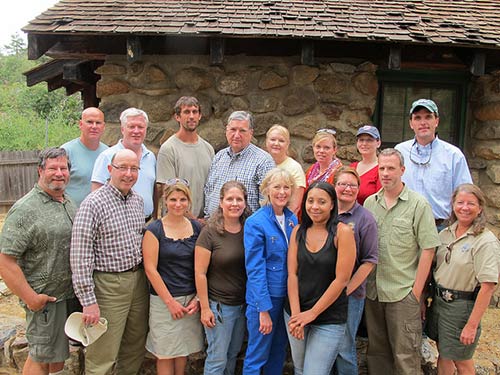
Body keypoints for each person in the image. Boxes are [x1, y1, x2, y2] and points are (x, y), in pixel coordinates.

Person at [71, 149, 149, 375]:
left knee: (134, 347)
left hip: (138, 281)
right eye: (122, 168)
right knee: (102, 353)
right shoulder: (93, 204)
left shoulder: (137, 202)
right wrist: (88, 300)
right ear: (109, 170)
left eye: (134, 169)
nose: (128, 173)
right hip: (108, 286)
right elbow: (80, 254)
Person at [363, 148, 441, 375]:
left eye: (391, 168)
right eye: (382, 168)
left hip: (402, 291)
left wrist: (416, 292)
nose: (385, 173)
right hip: (374, 291)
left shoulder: (418, 205)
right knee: (377, 354)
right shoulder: (370, 203)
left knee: (406, 356)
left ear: (402, 170)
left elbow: (428, 248)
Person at [0, 148, 77, 375]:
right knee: (40, 358)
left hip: (67, 297)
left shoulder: (68, 202)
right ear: (40, 170)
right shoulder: (25, 209)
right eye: (53, 168)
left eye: (63, 168)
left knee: (56, 359)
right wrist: (31, 298)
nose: (59, 173)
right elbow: (6, 260)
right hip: (45, 300)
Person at [426, 184, 500, 375]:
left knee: (462, 360)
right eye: (460, 202)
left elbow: (488, 286)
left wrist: (471, 325)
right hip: (440, 303)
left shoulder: (485, 241)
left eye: (471, 204)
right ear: (453, 205)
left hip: (462, 306)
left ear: (480, 208)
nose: (464, 207)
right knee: (444, 353)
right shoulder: (445, 234)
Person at [285, 181, 356, 375]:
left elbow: (341, 280)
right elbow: (292, 274)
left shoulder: (343, 232)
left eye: (322, 202)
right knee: (299, 369)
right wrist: (297, 316)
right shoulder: (298, 232)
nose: (315, 207)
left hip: (328, 317)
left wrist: (312, 314)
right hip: (296, 312)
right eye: (310, 201)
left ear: (332, 204)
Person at [143, 180, 204, 375]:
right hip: (164, 301)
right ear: (165, 201)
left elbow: (203, 265)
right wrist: (170, 302)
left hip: (190, 300)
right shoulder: (155, 230)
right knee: (165, 353)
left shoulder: (197, 228)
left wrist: (198, 298)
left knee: (182, 351)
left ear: (189, 201)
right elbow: (150, 269)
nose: (178, 204)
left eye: (183, 199)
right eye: (173, 199)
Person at [243, 168, 298, 375]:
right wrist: (263, 310)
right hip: (265, 299)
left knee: (278, 352)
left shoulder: (292, 219)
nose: (282, 192)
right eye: (277, 187)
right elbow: (255, 269)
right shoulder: (255, 222)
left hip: (286, 298)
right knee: (257, 355)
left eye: (286, 187)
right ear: (266, 189)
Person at [195, 181, 251, 375]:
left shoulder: (249, 229)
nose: (234, 203)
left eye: (239, 199)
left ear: (245, 202)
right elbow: (200, 273)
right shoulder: (209, 233)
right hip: (219, 307)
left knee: (233, 354)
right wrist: (204, 308)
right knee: (217, 358)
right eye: (229, 199)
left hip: (243, 305)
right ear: (221, 202)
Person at [395, 99, 472, 229]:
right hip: (404, 226)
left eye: (428, 117)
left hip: (440, 228)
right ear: (411, 123)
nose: (423, 122)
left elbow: (466, 194)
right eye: (417, 118)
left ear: (436, 121)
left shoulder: (453, 155)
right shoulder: (400, 151)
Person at [333, 167, 378, 375]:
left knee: (343, 346)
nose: (347, 189)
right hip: (323, 291)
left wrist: (346, 290)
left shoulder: (364, 219)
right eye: (342, 183)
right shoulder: (326, 212)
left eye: (352, 185)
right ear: (334, 186)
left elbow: (369, 261)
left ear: (358, 189)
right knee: (325, 345)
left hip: (350, 295)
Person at [204, 110, 275, 217]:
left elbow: (267, 204)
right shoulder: (219, 157)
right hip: (213, 227)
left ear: (251, 133)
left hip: (245, 230)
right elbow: (209, 191)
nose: (236, 135)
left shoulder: (263, 161)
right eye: (233, 129)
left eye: (242, 131)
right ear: (226, 130)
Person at [91, 107, 156, 220]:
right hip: (118, 224)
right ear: (122, 129)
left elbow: (153, 189)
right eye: (131, 127)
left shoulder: (150, 157)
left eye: (140, 127)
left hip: (147, 223)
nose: (136, 131)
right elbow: (96, 194)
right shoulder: (107, 156)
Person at [156, 96, 214, 219]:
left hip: (204, 223)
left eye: (195, 112)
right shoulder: (168, 149)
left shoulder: (208, 149)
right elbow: (169, 192)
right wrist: (194, 220)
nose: (191, 116)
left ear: (200, 116)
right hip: (178, 222)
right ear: (177, 117)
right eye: (186, 112)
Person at [61, 107, 108, 206]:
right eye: (90, 122)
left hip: (101, 215)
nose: (94, 126)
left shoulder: (108, 153)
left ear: (103, 127)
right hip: (72, 215)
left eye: (98, 123)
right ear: (81, 124)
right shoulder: (66, 151)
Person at [265, 124, 306, 215]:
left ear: (287, 144)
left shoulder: (295, 168)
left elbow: (295, 206)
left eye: (281, 141)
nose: (276, 143)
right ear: (266, 142)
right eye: (273, 139)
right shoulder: (261, 164)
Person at [350, 125, 381, 205]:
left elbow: (380, 200)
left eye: (369, 140)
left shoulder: (381, 169)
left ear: (378, 143)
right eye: (361, 140)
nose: (364, 143)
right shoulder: (352, 167)